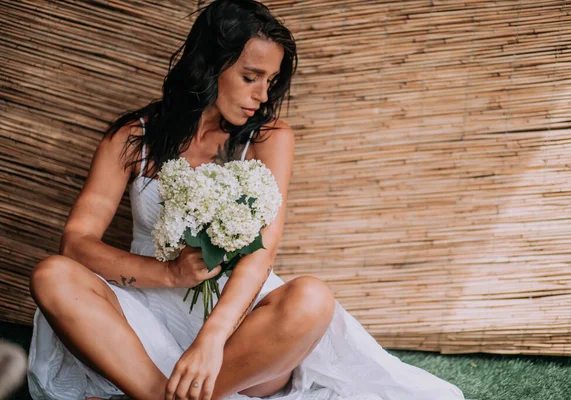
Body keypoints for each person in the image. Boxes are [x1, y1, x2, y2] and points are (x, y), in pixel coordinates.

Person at [27, 1, 467, 399]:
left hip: (237, 325)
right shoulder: (132, 137)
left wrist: (212, 338)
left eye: (270, 81)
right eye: (250, 77)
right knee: (52, 275)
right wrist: (169, 274)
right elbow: (77, 242)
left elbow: (263, 251)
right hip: (143, 304)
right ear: (207, 66)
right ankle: (162, 394)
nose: (262, 96)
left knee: (312, 298)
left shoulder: (270, 139)